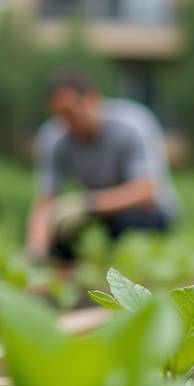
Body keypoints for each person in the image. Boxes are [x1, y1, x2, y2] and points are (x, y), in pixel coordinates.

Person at [25, 68, 180, 261]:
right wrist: (36, 248)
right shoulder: (53, 137)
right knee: (61, 234)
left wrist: (87, 203)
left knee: (129, 224)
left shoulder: (132, 124)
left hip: (147, 213)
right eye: (59, 115)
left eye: (70, 113)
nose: (66, 123)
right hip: (99, 215)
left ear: (92, 99)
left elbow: (147, 192)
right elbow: (45, 200)